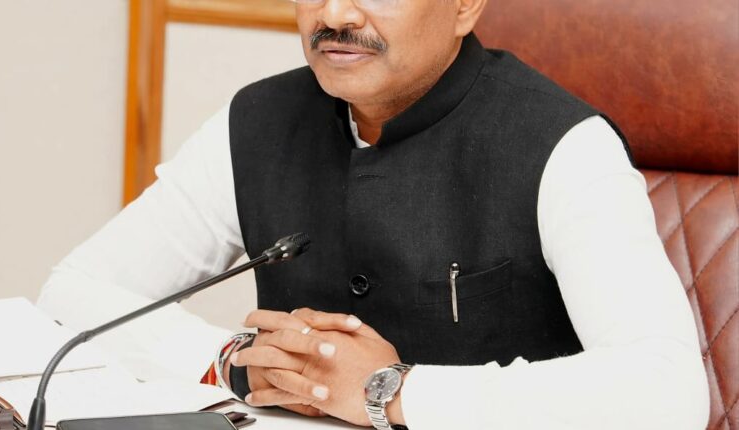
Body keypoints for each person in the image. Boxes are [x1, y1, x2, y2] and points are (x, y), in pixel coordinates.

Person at [38, 0, 710, 428]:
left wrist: (391, 392)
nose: (335, 14)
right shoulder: (255, 123)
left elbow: (669, 391)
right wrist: (233, 360)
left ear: (464, 5)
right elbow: (72, 293)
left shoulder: (565, 145)